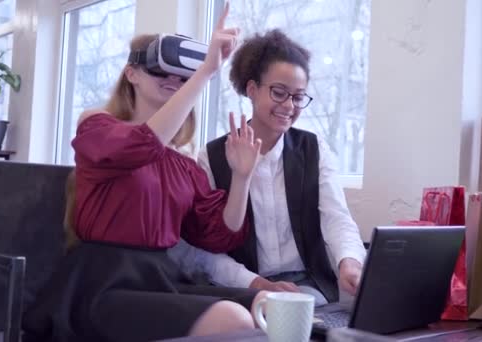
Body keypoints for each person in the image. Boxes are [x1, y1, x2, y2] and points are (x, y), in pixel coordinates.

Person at [22, 5, 267, 342]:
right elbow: (142, 143)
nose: (173, 82)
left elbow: (219, 234)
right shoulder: (97, 127)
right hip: (100, 285)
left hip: (158, 278)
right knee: (232, 317)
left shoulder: (182, 163)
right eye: (159, 72)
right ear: (131, 74)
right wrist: (204, 73)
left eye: (182, 77)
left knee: (268, 305)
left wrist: (242, 177)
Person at [170, 29, 366, 307]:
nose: (289, 105)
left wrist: (349, 262)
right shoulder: (211, 158)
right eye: (279, 92)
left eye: (298, 97)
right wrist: (255, 283)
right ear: (252, 90)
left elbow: (337, 218)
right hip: (242, 288)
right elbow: (201, 250)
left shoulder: (314, 148)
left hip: (310, 288)